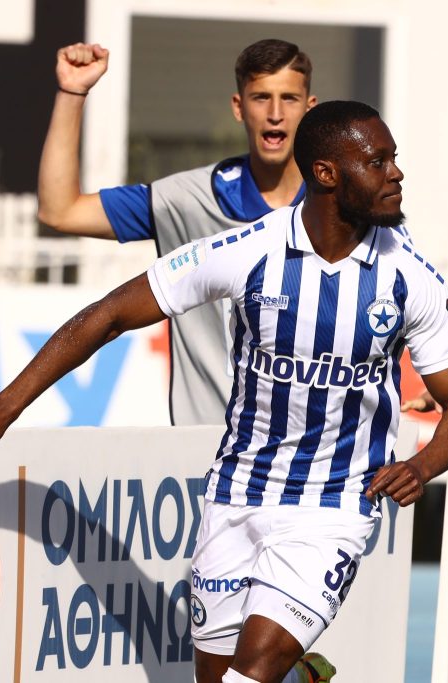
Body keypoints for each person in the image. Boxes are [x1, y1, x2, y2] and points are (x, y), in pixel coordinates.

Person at [0, 101, 448, 683]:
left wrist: (421, 467)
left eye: (393, 159)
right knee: (218, 677)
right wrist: (6, 406)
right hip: (237, 494)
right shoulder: (249, 251)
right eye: (378, 161)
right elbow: (110, 314)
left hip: (333, 506)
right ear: (326, 174)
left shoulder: (410, 278)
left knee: (253, 670)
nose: (396, 173)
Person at [37, 39, 318, 425]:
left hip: (313, 450)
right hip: (207, 448)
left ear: (309, 107)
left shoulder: (338, 208)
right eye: (260, 98)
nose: (275, 114)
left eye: (289, 98)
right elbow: (61, 211)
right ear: (238, 107)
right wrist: (72, 92)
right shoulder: (186, 198)